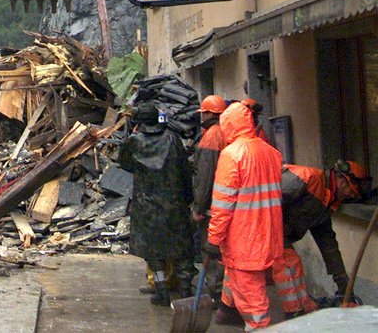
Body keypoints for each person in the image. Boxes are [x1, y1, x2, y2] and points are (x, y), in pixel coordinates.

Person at [206, 101, 283, 329]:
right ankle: (227, 311)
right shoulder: (271, 152)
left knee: (253, 299)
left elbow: (222, 204)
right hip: (268, 233)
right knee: (244, 284)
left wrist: (213, 239)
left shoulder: (231, 155)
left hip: (244, 238)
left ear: (227, 125)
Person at [120, 103, 196, 307]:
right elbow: (184, 169)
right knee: (182, 249)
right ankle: (186, 289)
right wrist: (189, 198)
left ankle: (161, 291)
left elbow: (125, 164)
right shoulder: (172, 139)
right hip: (175, 202)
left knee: (153, 250)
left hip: (147, 204)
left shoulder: (134, 141)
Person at [272, 160, 371, 317]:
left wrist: (344, 288)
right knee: (289, 263)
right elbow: (265, 201)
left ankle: (226, 310)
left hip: (274, 234)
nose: (351, 197)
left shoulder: (327, 202)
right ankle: (295, 315)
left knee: (242, 274)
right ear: (341, 180)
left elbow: (328, 244)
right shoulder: (306, 178)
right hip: (258, 227)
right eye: (351, 191)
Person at [191, 94, 227, 305]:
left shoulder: (211, 136)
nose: (201, 116)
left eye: (203, 112)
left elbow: (204, 176)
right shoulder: (225, 132)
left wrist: (198, 207)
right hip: (225, 203)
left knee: (212, 250)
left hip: (213, 206)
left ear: (209, 113)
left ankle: (217, 294)